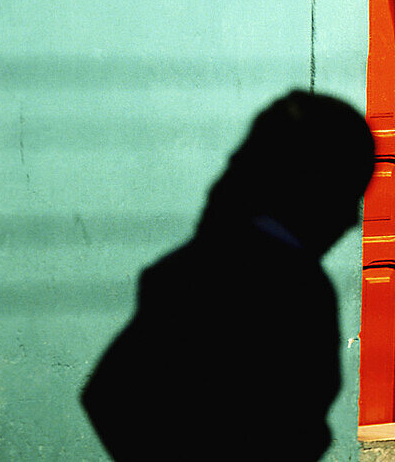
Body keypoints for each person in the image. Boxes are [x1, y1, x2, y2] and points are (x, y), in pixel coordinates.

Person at [81, 90, 376, 461]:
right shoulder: (293, 287)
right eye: (349, 194)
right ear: (312, 190)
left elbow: (108, 396)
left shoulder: (189, 271)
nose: (352, 221)